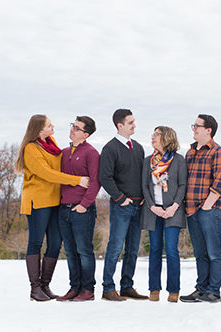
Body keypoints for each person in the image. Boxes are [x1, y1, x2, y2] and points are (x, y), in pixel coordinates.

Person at [15, 114, 90, 302]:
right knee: (36, 242)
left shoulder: (51, 142)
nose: (53, 127)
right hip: (38, 202)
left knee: (56, 243)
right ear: (39, 130)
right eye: (49, 125)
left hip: (55, 201)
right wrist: (77, 181)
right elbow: (48, 174)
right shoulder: (30, 149)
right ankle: (35, 288)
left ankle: (45, 285)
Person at [98, 108, 149, 301]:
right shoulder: (110, 148)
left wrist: (144, 195)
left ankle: (127, 286)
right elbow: (105, 177)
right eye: (130, 123)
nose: (134, 125)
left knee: (133, 249)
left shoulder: (138, 147)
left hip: (138, 205)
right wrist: (120, 198)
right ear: (120, 125)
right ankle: (108, 288)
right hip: (121, 206)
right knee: (115, 247)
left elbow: (142, 175)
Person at [180, 114, 221, 303]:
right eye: (193, 125)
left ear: (208, 130)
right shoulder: (190, 152)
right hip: (191, 210)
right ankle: (201, 289)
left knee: (214, 252)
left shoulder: (218, 152)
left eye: (197, 126)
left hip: (210, 210)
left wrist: (207, 205)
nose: (194, 129)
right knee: (200, 253)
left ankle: (214, 291)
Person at [55, 116, 100, 302]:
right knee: (70, 251)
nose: (72, 129)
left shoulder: (91, 153)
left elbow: (96, 182)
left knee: (84, 250)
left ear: (86, 134)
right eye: (72, 126)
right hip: (63, 209)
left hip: (82, 210)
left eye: (77, 128)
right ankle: (74, 288)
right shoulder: (64, 152)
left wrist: (84, 205)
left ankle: (87, 289)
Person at [141, 126, 187, 303]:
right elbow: (145, 186)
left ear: (166, 137)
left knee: (171, 250)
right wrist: (153, 207)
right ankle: (154, 289)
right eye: (152, 134)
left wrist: (174, 206)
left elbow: (183, 185)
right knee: (154, 250)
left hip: (172, 211)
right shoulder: (148, 161)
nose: (152, 137)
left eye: (156, 135)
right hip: (154, 211)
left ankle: (173, 290)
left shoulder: (178, 160)